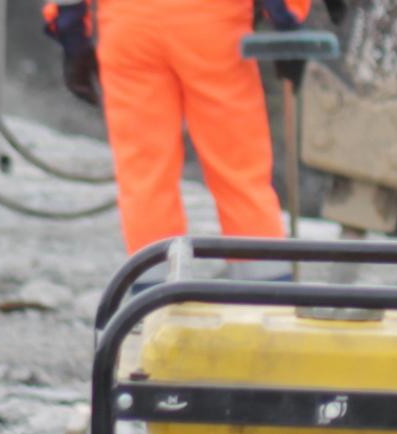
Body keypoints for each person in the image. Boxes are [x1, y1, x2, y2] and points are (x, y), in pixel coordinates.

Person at [42, 0, 310, 255]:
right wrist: (286, 22)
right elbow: (283, 11)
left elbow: (68, 9)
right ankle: (261, 290)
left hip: (130, 29)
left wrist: (73, 35)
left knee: (144, 176)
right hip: (214, 31)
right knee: (238, 173)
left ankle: (155, 292)